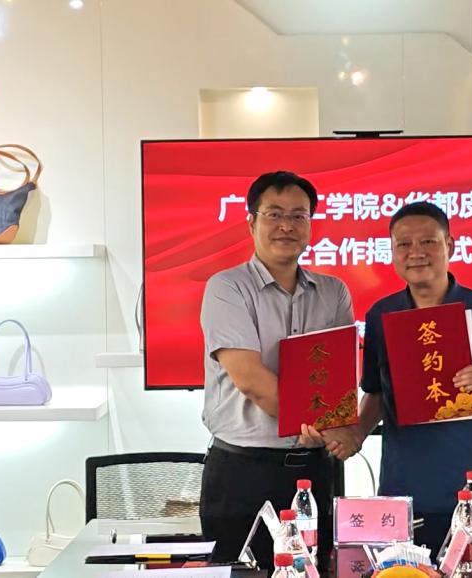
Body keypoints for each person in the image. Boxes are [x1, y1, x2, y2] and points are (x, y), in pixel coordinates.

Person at [302, 201, 472, 567]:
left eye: (428, 242)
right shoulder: (381, 315)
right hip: (403, 492)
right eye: (404, 244)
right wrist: (354, 435)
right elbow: (376, 393)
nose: (416, 253)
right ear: (392, 252)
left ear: (450, 246)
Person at [199, 170, 356, 569]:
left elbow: (337, 377)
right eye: (274, 214)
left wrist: (340, 427)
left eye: (299, 215)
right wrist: (331, 428)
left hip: (314, 471)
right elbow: (251, 380)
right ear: (251, 222)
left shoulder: (334, 292)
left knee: (315, 571)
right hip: (243, 473)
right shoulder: (227, 288)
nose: (287, 225)